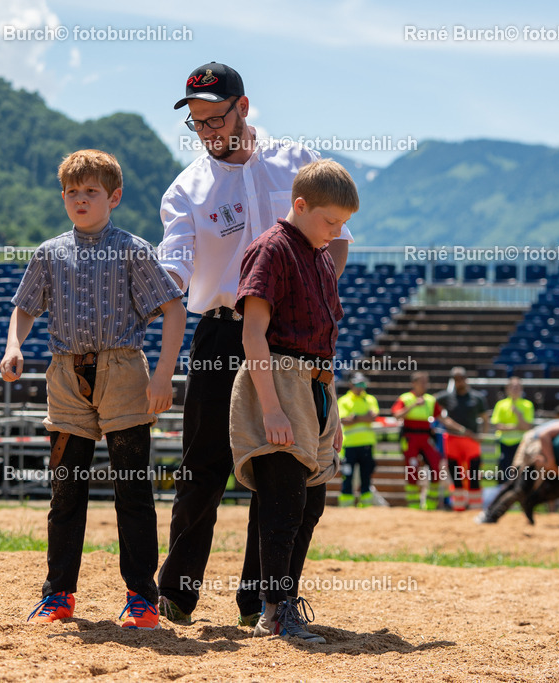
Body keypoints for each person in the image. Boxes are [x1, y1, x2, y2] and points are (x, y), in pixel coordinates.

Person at [156, 61, 355, 626]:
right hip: (221, 330)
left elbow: (336, 242)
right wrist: (150, 293)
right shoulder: (187, 188)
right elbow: (174, 265)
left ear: (244, 106)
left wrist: (313, 300)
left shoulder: (297, 163)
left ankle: (259, 601)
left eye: (216, 119)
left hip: (288, 338)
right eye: (197, 124)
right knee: (203, 467)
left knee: (279, 469)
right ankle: (177, 593)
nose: (209, 133)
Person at [1, 149, 185, 629]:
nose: (79, 199)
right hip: (65, 374)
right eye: (71, 192)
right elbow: (24, 307)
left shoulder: (132, 249)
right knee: (65, 490)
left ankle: (142, 598)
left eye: (91, 191)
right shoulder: (49, 253)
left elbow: (173, 309)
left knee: (132, 489)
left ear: (114, 196)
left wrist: (164, 373)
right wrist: (13, 346)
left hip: (124, 371)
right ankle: (58, 594)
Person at [230, 159, 357, 644]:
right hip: (279, 379)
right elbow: (253, 333)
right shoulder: (271, 249)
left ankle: (284, 600)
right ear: (299, 205)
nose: (337, 231)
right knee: (283, 502)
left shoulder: (320, 253)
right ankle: (274, 609)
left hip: (316, 384)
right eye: (330, 220)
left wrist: (324, 401)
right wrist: (272, 407)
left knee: (309, 502)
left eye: (343, 223)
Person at [477, 419, 559, 525]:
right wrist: (549, 461)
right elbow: (544, 435)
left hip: (542, 450)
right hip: (535, 445)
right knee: (519, 488)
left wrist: (550, 465)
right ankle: (490, 515)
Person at [435, 367, 490, 511]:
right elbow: (437, 411)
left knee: (474, 474)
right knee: (455, 475)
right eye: (456, 379)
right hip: (453, 440)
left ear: (466, 379)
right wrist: (455, 427)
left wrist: (482, 435)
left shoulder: (477, 398)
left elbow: (485, 419)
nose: (459, 382)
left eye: (461, 379)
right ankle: (458, 507)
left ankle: (475, 508)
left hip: (471, 441)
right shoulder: (447, 397)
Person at [392, 371, 445, 510]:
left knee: (436, 467)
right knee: (412, 471)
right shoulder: (405, 398)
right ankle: (414, 506)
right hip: (410, 438)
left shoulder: (431, 400)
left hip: (426, 438)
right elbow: (397, 415)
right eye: (421, 382)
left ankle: (431, 504)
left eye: (426, 382)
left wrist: (461, 429)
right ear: (413, 383)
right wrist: (413, 405)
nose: (424, 385)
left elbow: (442, 418)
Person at [337, 372, 379, 507]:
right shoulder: (343, 400)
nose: (361, 387)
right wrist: (362, 417)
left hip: (366, 444)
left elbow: (373, 417)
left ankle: (366, 504)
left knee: (366, 476)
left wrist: (354, 417)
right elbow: (343, 420)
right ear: (351, 384)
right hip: (349, 445)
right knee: (347, 476)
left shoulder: (370, 399)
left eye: (363, 384)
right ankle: (346, 506)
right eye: (358, 384)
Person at [491, 377, 534, 480]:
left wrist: (518, 415)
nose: (515, 389)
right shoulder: (500, 405)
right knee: (505, 476)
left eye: (517, 387)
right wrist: (516, 427)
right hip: (504, 444)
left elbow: (527, 427)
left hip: (521, 444)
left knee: (521, 476)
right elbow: (498, 426)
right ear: (507, 389)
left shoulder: (528, 405)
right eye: (512, 387)